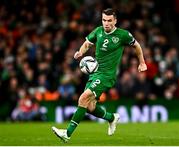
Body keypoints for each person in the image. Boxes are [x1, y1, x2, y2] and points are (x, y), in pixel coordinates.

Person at [52, 8, 147, 143]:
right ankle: (112, 118)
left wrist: (142, 62)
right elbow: (87, 44)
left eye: (109, 21)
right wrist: (80, 52)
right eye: (104, 20)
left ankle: (67, 133)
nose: (106, 23)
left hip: (107, 76)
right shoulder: (98, 31)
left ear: (115, 21)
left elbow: (137, 46)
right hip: (95, 73)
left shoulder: (123, 35)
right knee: (90, 107)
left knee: (83, 98)